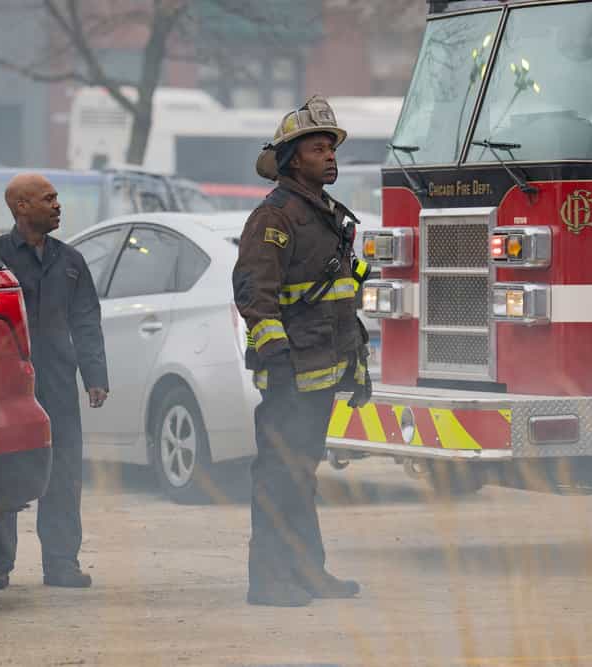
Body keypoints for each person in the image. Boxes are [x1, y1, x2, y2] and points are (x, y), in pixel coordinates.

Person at [232, 96, 373, 607]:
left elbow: (340, 300)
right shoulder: (275, 217)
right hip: (290, 376)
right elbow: (253, 294)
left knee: (301, 475)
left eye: (332, 147)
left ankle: (308, 572)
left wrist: (357, 364)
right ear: (293, 159)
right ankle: (267, 581)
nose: (330, 156)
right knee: (278, 477)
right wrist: (275, 361)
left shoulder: (326, 216)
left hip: (320, 374)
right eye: (319, 148)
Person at [0, 173, 109, 590]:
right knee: (2, 472)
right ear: (21, 207)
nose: (57, 205)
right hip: (5, 387)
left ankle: (61, 563)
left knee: (65, 473)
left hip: (57, 382)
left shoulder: (70, 262)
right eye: (48, 199)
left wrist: (95, 376)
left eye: (57, 198)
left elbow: (86, 320)